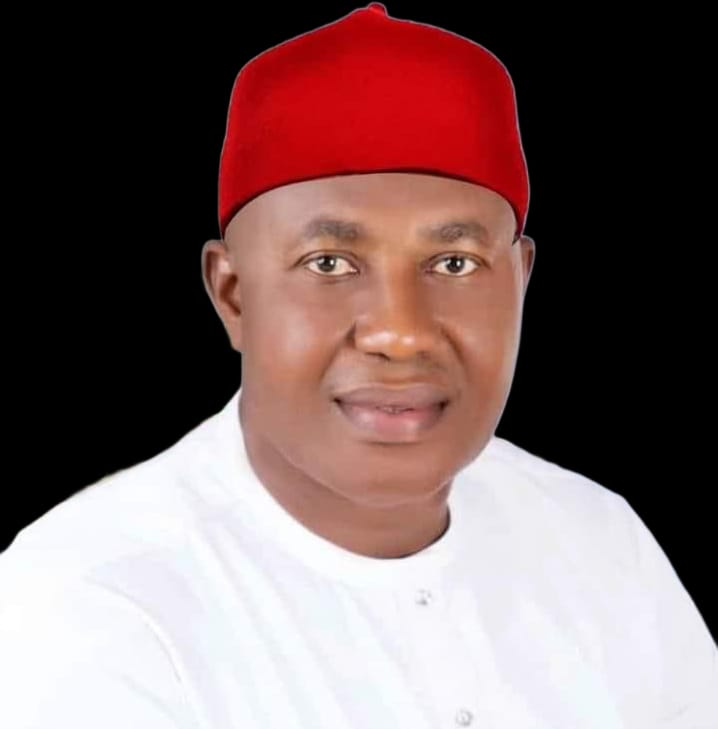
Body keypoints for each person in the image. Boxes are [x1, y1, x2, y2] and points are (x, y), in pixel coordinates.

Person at [1, 4, 716, 728]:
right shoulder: (95, 603)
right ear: (234, 295)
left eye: (454, 262)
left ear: (520, 281)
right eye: (330, 263)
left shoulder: (599, 542)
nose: (399, 334)